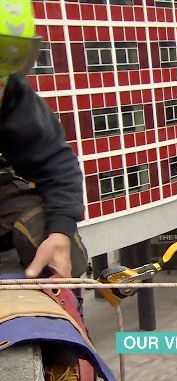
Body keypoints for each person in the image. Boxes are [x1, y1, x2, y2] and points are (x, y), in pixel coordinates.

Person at [0, 0, 87, 279]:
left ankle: (62, 313)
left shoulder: (8, 90)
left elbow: (54, 161)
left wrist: (60, 230)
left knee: (60, 250)